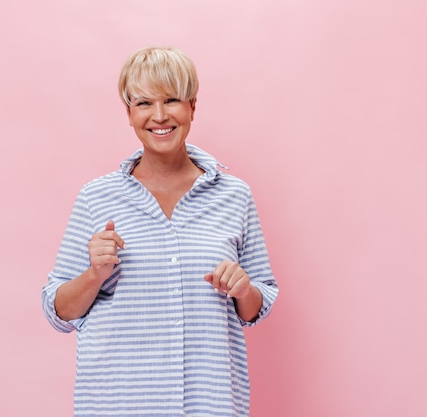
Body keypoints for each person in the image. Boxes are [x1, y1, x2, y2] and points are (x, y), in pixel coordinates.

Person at [42, 46, 279, 416]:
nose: (159, 115)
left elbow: (256, 306)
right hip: (117, 404)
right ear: (129, 114)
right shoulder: (96, 197)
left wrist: (243, 288)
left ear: (192, 107)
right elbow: (57, 310)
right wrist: (94, 274)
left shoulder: (234, 196)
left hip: (209, 402)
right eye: (143, 103)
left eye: (171, 100)